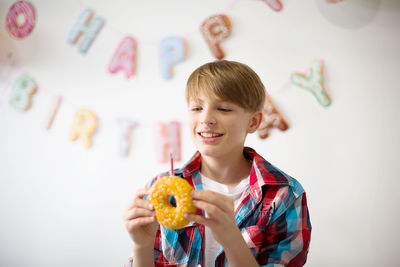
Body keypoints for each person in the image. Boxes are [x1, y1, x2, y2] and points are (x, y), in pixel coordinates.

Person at [123, 60, 312, 267]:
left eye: (223, 109)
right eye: (196, 107)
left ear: (254, 122)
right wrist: (141, 245)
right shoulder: (160, 187)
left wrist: (231, 239)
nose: (206, 119)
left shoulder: (284, 194)